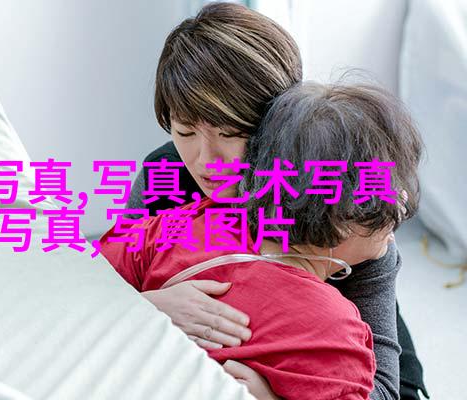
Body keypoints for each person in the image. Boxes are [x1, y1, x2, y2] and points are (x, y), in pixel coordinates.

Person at [126, 3, 427, 399]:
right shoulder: (165, 176)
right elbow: (100, 285)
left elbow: (388, 388)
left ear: (283, 120)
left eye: (231, 133)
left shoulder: (343, 206)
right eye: (185, 132)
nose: (205, 160)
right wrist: (147, 306)